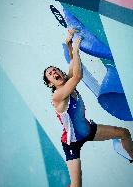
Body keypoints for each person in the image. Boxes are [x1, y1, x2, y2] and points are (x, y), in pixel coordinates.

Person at [43, 29, 133, 187]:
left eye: (55, 70)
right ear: (50, 83)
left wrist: (68, 40)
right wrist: (77, 48)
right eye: (50, 74)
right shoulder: (57, 96)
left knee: (125, 133)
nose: (54, 72)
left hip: (88, 130)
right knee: (76, 186)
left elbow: (72, 61)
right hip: (72, 143)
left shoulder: (67, 82)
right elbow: (78, 75)